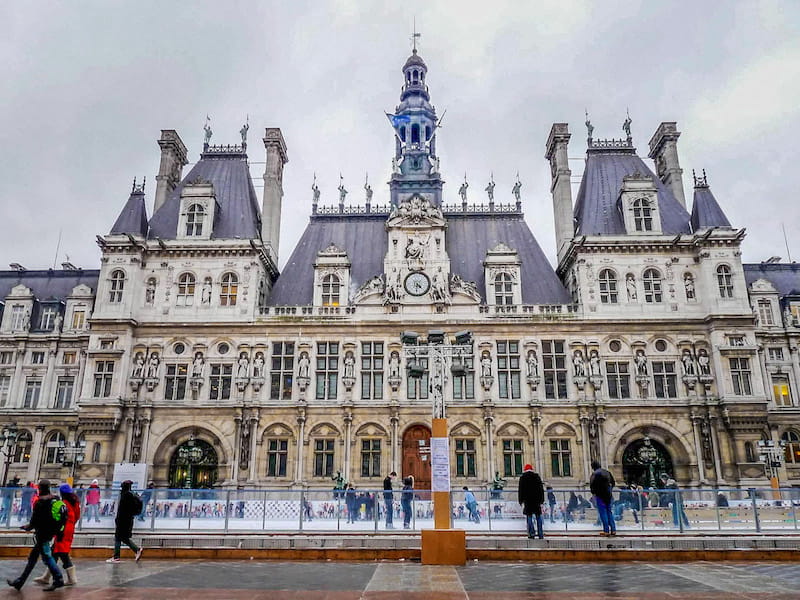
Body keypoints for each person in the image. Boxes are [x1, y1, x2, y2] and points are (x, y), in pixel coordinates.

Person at [6, 479, 65, 591]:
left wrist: (26, 527)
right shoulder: (55, 499)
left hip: (42, 534)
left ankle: (58, 579)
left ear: (40, 488)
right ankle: (20, 582)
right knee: (34, 558)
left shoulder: (40, 502)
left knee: (47, 557)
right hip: (51, 532)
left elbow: (34, 522)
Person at [34, 483, 80, 587]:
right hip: (69, 530)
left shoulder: (62, 503)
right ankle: (46, 577)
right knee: (56, 551)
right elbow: (77, 516)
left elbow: (57, 517)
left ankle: (72, 579)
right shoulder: (75, 502)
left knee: (62, 553)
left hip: (62, 530)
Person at [106, 480, 143, 563]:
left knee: (118, 537)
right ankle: (137, 550)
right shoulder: (133, 495)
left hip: (122, 520)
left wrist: (117, 519)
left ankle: (116, 557)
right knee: (124, 538)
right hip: (129, 519)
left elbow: (121, 510)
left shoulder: (125, 496)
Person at [589, 460, 616, 537]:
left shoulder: (594, 474)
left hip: (600, 496)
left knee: (603, 513)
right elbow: (613, 483)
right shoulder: (607, 472)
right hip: (608, 494)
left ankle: (606, 530)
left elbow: (592, 486)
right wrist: (609, 490)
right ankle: (613, 529)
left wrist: (595, 493)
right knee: (609, 512)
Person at [518, 464, 545, 539]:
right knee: (538, 517)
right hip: (536, 500)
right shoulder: (536, 477)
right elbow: (541, 489)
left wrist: (521, 500)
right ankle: (540, 533)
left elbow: (521, 490)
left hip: (528, 500)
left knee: (529, 517)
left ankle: (531, 533)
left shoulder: (523, 478)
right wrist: (541, 500)